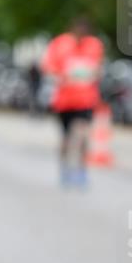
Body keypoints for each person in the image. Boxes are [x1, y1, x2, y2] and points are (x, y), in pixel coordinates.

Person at [40, 17, 104, 188]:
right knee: (67, 138)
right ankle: (65, 169)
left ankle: (81, 170)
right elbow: (48, 66)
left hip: (86, 100)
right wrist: (61, 76)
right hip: (64, 101)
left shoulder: (94, 45)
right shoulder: (60, 44)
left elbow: (98, 68)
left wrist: (94, 74)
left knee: (82, 135)